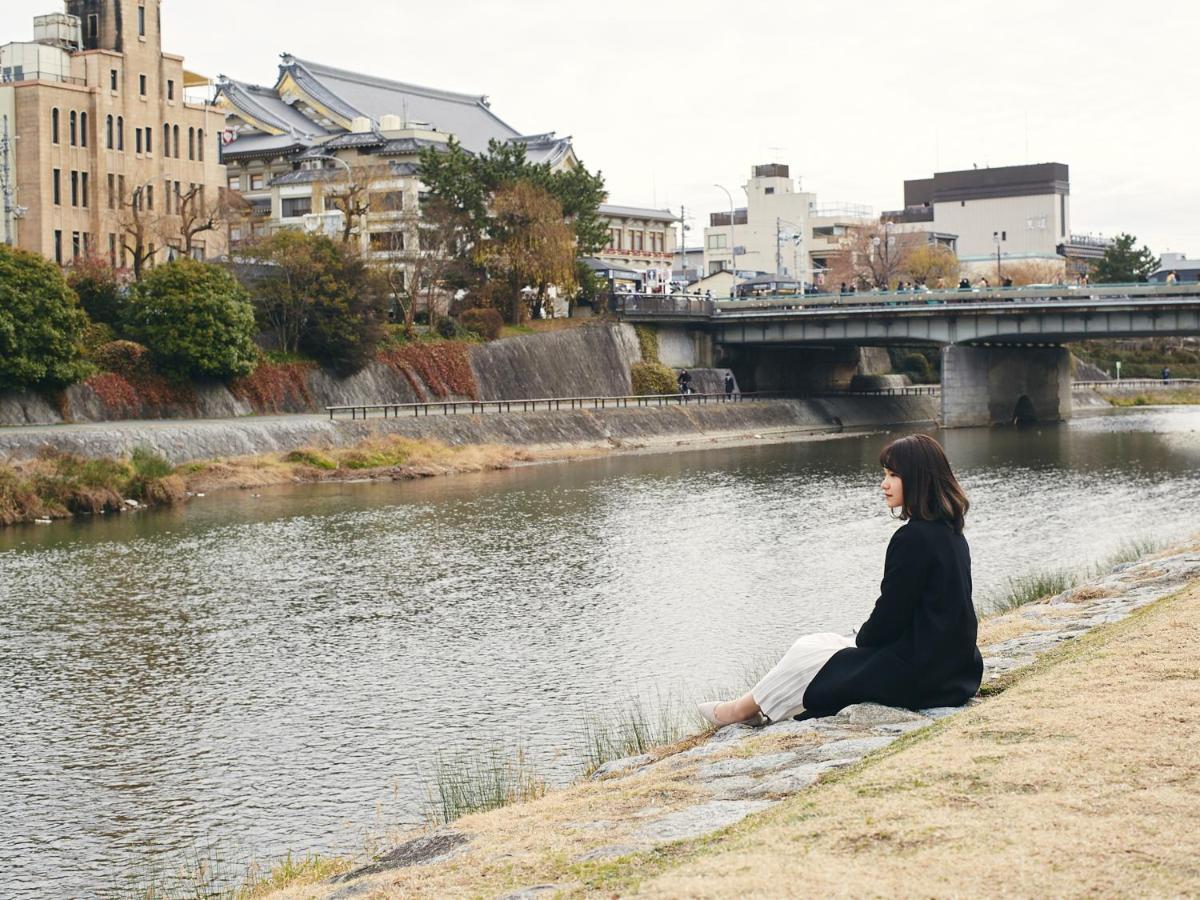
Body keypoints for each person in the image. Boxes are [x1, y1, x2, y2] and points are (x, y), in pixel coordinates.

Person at [698, 434, 982, 726]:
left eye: (894, 475)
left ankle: (738, 711)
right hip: (958, 670)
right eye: (885, 474)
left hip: (922, 676)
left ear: (919, 479)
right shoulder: (951, 530)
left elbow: (890, 615)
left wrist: (862, 640)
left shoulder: (912, 538)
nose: (884, 484)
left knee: (809, 652)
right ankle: (753, 709)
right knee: (821, 647)